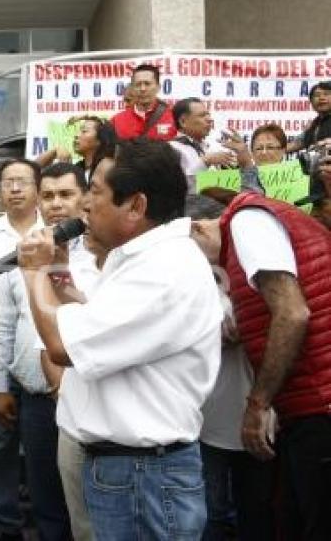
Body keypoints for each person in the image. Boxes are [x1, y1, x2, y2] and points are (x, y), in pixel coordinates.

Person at [20, 139, 223, 539]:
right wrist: (59, 267)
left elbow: (62, 344)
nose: (84, 206)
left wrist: (34, 272)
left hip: (144, 474)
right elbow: (84, 319)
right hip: (128, 470)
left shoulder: (163, 270)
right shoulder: (141, 259)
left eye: (95, 191)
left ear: (136, 206)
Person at [190, 192, 331, 541]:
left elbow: (293, 312)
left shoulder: (245, 222)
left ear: (195, 229)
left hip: (319, 401)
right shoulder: (249, 229)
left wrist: (258, 402)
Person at [0, 163, 90, 541]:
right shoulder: (24, 251)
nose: (56, 204)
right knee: (48, 505)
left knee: (86, 505)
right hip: (37, 398)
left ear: (85, 197)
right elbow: (3, 322)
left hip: (88, 395)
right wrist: (0, 384)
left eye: (66, 195)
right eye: (48, 196)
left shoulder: (100, 248)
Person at [0, 158, 43, 541]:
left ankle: (46, 517)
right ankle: (7, 524)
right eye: (7, 182)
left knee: (41, 449)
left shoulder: (53, 231)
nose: (14, 189)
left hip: (42, 361)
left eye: (22, 182)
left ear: (36, 188)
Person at [35, 117, 117, 183]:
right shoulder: (78, 169)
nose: (76, 135)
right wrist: (54, 151)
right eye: (78, 131)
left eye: (84, 131)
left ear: (100, 140)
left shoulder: (110, 170)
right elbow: (32, 170)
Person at [110, 63, 176, 141]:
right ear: (132, 88)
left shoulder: (173, 117)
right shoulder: (117, 121)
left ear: (158, 87)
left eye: (147, 84)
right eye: (138, 84)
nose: (142, 89)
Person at [287, 81, 331, 153]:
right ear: (311, 102)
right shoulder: (314, 125)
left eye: (326, 94)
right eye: (317, 95)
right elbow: (297, 143)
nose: (321, 98)